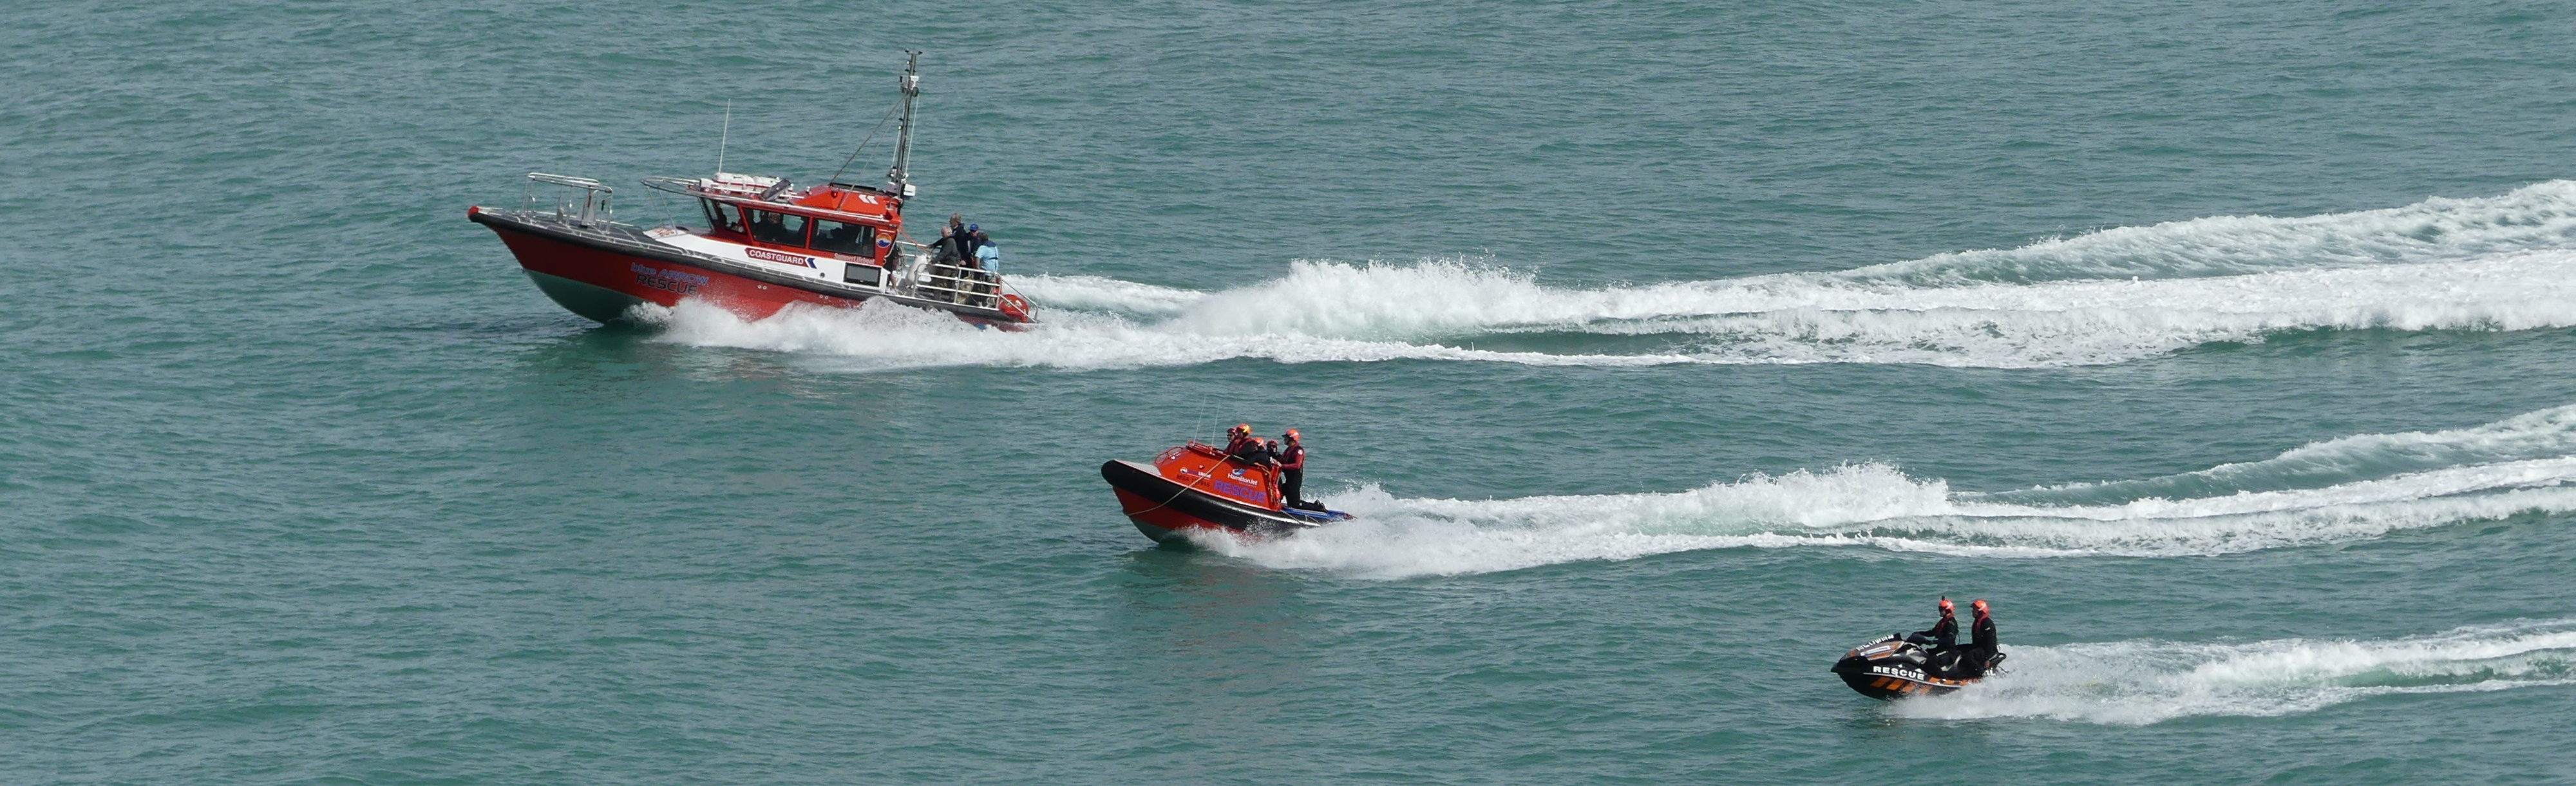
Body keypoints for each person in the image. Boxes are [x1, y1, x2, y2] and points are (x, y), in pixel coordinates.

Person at [1905, 598, 1960, 675]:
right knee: (1921, 654)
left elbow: (1948, 640)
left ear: (1947, 610)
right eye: (1939, 609)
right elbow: (1932, 632)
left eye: (1941, 609)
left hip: (1949, 652)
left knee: (1932, 660)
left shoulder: (1951, 623)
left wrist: (1933, 642)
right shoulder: (1943, 621)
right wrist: (1919, 633)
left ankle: (1943, 679)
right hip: (1939, 649)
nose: (1939, 611)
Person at [1958, 599, 1999, 677]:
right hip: (1978, 648)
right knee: (1957, 649)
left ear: (1980, 611)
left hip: (1988, 651)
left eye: (1974, 610)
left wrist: (1987, 659)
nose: (1972, 612)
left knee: (1968, 656)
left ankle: (1981, 673)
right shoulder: (1977, 622)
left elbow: (1989, 642)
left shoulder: (1987, 623)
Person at [1276, 429, 1309, 509]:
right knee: (1282, 492)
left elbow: (1297, 465)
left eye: (1286, 438)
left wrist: (1282, 466)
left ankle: (1318, 507)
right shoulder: (1289, 450)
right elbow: (1282, 460)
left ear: (1291, 439)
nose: (1284, 440)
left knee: (1295, 504)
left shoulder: (1299, 451)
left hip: (1295, 480)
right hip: (1289, 480)